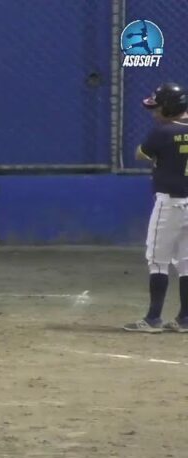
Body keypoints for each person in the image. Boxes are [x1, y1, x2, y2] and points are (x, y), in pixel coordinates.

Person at [123, 82, 188, 333]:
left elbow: (141, 153)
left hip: (169, 203)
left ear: (171, 107)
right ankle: (185, 319)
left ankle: (153, 319)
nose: (154, 112)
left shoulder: (163, 131)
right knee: (186, 262)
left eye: (158, 107)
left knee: (157, 261)